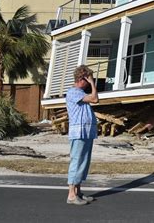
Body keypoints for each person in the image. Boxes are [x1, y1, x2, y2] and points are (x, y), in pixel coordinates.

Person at [65, 65, 98, 205]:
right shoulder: (73, 92)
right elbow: (95, 99)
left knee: (83, 163)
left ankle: (78, 191)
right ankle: (71, 195)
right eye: (87, 78)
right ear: (82, 79)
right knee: (77, 161)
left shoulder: (81, 94)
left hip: (86, 132)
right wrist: (92, 83)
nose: (89, 82)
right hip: (78, 133)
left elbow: (94, 99)